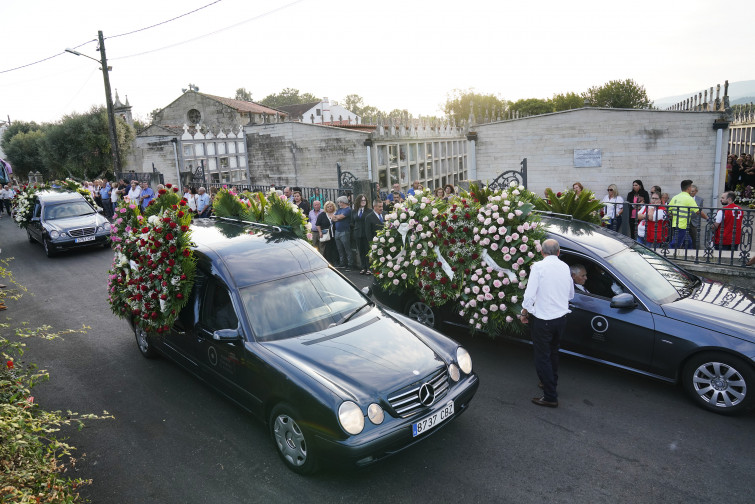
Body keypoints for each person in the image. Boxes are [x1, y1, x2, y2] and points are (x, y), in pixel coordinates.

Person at [520, 239, 574, 408]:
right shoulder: (565, 267)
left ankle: (550, 395)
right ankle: (549, 382)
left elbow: (530, 295)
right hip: (561, 318)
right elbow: (570, 294)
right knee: (553, 353)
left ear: (542, 253)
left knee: (542, 357)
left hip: (544, 320)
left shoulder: (538, 267)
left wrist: (524, 312)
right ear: (558, 253)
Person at [669, 180, 708, 249]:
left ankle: (689, 254)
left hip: (675, 223)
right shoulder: (689, 198)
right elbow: (698, 211)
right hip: (682, 225)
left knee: (688, 242)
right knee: (675, 244)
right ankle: (667, 256)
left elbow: (668, 210)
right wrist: (707, 218)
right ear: (689, 188)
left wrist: (673, 216)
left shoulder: (675, 197)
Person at [351, 194, 373, 274]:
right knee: (361, 251)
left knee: (367, 251)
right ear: (358, 201)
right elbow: (352, 222)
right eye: (362, 200)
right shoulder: (354, 211)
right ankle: (363, 267)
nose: (363, 202)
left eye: (364, 200)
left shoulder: (369, 211)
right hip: (358, 234)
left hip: (366, 234)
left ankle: (369, 268)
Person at [331, 196, 354, 270]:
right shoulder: (339, 210)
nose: (338, 203)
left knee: (347, 248)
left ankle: (350, 264)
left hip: (344, 231)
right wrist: (337, 217)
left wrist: (337, 217)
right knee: (340, 249)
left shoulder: (348, 209)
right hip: (337, 231)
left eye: (339, 202)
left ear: (343, 202)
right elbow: (332, 218)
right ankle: (342, 263)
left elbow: (340, 217)